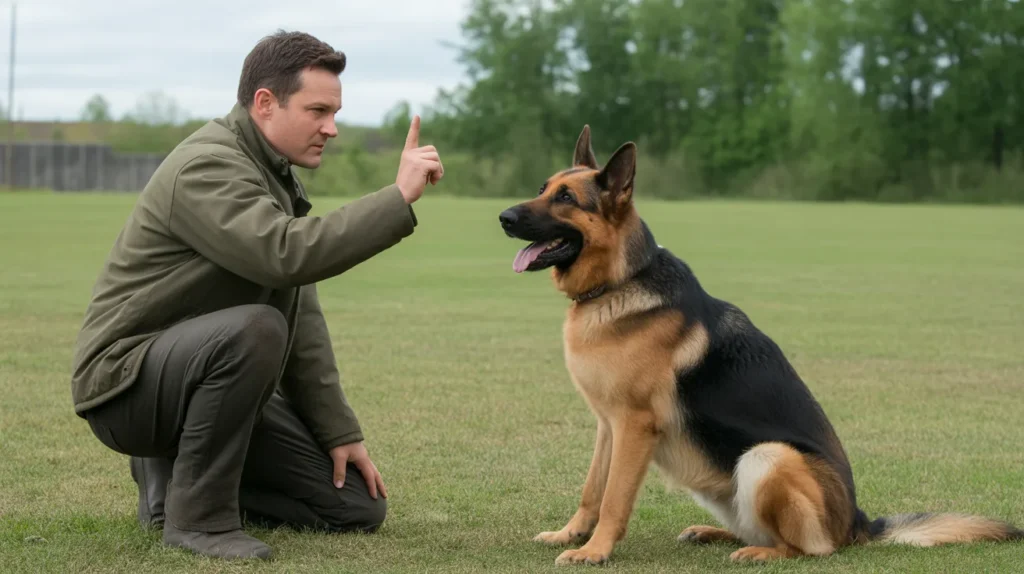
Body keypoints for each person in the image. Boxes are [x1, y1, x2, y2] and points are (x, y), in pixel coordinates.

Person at [69, 30, 443, 561]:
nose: (331, 128)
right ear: (265, 104)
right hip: (127, 388)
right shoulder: (208, 164)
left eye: (334, 112)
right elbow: (284, 255)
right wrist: (397, 197)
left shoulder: (273, 175)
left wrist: (338, 431)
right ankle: (199, 520)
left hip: (199, 376)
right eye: (317, 110)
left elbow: (302, 312)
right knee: (256, 328)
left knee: (356, 507)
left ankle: (175, 486)